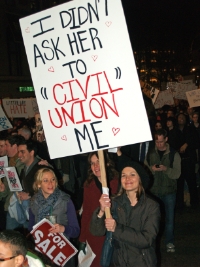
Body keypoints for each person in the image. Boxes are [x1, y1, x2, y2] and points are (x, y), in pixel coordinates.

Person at [90, 160, 160, 267]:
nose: (127, 179)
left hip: (142, 262)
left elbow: (146, 240)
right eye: (123, 175)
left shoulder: (151, 206)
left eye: (132, 174)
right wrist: (101, 211)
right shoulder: (114, 203)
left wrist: (116, 228)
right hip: (118, 262)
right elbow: (96, 231)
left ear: (140, 178)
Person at [78, 151, 119, 267]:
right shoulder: (88, 185)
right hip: (95, 235)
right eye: (92, 163)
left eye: (98, 162)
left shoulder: (118, 182)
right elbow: (86, 213)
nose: (95, 166)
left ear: (107, 163)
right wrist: (82, 238)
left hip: (115, 234)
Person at [145, 129, 181, 253]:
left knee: (169, 219)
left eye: (161, 141)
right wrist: (152, 169)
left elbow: (177, 174)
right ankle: (152, 243)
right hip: (154, 192)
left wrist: (166, 169)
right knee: (152, 220)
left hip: (169, 192)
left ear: (166, 139)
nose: (159, 144)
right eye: (157, 141)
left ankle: (169, 242)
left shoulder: (173, 154)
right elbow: (144, 172)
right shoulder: (150, 153)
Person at [29, 168, 80, 239]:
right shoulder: (33, 201)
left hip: (61, 246)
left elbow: (76, 232)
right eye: (46, 180)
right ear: (39, 184)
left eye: (53, 179)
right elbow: (31, 228)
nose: (50, 183)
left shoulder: (65, 200)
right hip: (42, 245)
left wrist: (63, 229)